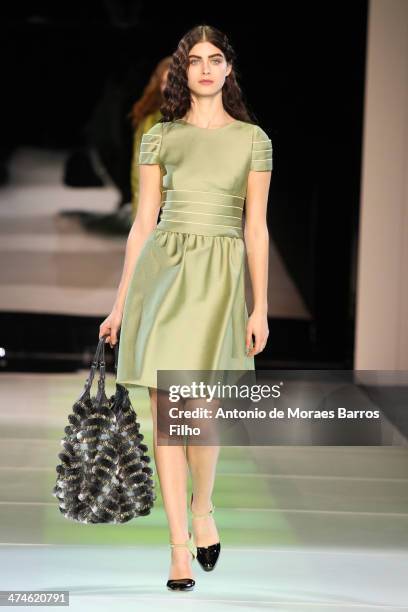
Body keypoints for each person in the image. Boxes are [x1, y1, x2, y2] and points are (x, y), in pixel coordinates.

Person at [99, 23, 272, 591]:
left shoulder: (253, 140)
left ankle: (203, 508)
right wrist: (121, 304)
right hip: (164, 279)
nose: (204, 66)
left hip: (220, 282)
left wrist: (260, 305)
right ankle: (177, 549)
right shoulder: (161, 137)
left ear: (227, 69)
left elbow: (256, 228)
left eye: (214, 57)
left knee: (201, 414)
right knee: (168, 415)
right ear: (184, 70)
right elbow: (142, 224)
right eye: (194, 59)